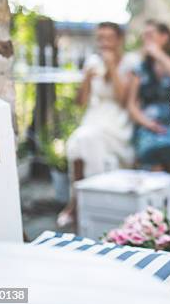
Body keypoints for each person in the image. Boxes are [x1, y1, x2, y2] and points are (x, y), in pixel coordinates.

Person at [57, 22, 138, 227]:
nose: (104, 42)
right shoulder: (92, 61)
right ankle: (78, 202)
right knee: (79, 143)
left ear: (119, 40)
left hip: (117, 121)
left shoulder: (130, 62)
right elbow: (80, 102)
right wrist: (86, 79)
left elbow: (123, 100)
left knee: (84, 140)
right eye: (100, 38)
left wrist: (111, 66)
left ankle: (82, 204)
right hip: (94, 117)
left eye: (108, 38)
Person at [127, 20, 170, 173]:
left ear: (165, 37)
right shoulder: (140, 69)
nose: (146, 40)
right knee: (153, 169)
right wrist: (148, 124)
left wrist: (159, 55)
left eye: (150, 35)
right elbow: (131, 105)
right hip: (150, 127)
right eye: (144, 36)